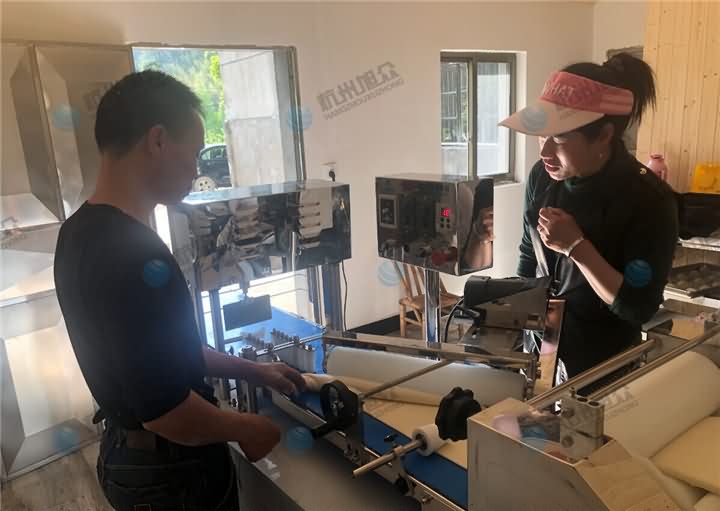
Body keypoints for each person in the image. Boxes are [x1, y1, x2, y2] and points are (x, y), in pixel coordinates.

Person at [54, 70, 305, 511]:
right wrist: (245, 428)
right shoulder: (133, 255)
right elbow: (168, 414)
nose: (196, 169)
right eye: (194, 152)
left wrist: (253, 371)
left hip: (124, 455)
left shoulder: (77, 232)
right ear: (157, 141)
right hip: (172, 475)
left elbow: (164, 353)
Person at [500, 53, 678, 383]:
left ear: (604, 136)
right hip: (540, 347)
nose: (544, 152)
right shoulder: (542, 177)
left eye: (559, 138)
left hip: (604, 364)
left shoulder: (648, 201)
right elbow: (529, 252)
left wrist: (577, 247)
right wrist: (516, 319)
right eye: (542, 135)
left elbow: (638, 307)